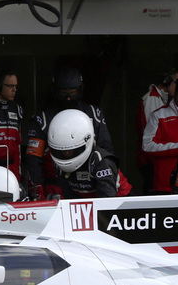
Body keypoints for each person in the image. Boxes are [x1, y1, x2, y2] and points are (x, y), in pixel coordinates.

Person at [24, 66, 114, 195]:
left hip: (90, 186)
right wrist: (37, 189)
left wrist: (106, 182)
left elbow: (107, 151)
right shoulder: (41, 120)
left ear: (80, 90)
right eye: (63, 92)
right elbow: (33, 160)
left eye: (72, 92)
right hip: (55, 187)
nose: (68, 97)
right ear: (55, 91)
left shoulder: (94, 114)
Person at [41, 109, 130, 198]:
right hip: (85, 203)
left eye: (72, 150)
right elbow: (69, 199)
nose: (67, 154)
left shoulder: (101, 161)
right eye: (62, 151)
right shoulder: (58, 163)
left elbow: (108, 201)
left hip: (120, 201)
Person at [136, 68, 178, 191]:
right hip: (149, 159)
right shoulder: (151, 99)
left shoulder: (163, 99)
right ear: (167, 81)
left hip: (158, 157)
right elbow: (150, 132)